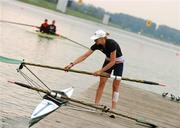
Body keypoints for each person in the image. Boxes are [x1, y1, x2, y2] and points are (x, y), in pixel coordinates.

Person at [65, 30, 124, 110]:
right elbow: (85, 56)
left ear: (102, 38)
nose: (94, 40)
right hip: (108, 61)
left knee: (115, 86)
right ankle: (96, 105)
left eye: (96, 39)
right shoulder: (97, 45)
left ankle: (113, 109)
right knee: (102, 83)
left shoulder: (111, 43)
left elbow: (113, 61)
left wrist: (100, 71)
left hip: (118, 62)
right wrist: (71, 64)